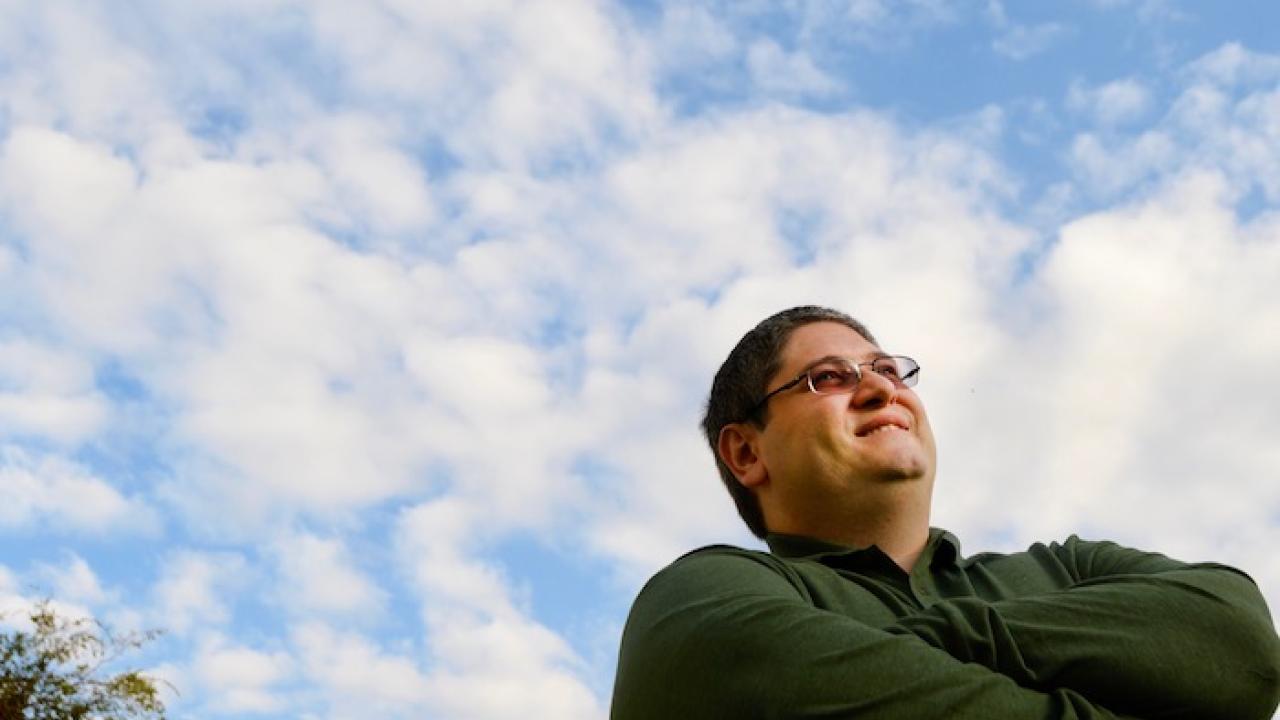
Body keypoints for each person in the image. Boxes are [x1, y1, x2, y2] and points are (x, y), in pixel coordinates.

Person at [610, 305, 1280, 719]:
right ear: (747, 452)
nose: (879, 387)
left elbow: (1243, 648)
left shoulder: (1069, 568)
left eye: (890, 370)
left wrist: (936, 639)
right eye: (830, 377)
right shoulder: (702, 603)